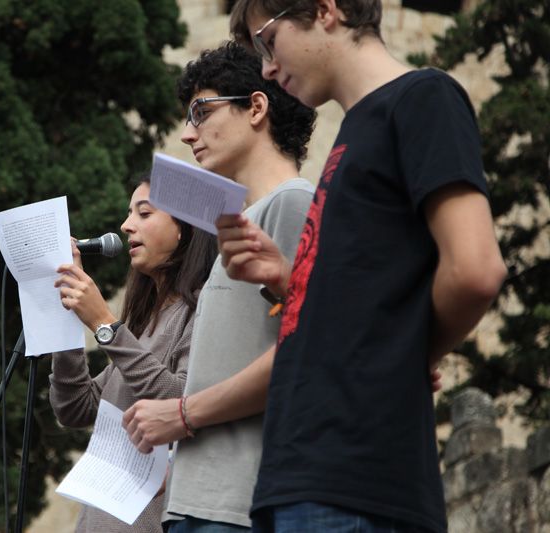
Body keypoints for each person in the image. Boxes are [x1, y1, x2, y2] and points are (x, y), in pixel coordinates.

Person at [124, 1, 507, 532]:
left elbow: (475, 270)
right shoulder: (351, 142)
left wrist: (400, 352)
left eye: (270, 39)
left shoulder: (421, 97)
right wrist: (288, 278)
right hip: (299, 482)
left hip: (349, 478)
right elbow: (356, 302)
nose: (267, 67)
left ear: (325, 10)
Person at [123, 42, 317, 532]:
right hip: (200, 500)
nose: (188, 134)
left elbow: (307, 351)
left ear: (256, 107)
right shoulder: (240, 223)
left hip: (239, 503)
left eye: (201, 111)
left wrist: (183, 415)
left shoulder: (293, 202)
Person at [49, 175, 218, 533]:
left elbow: (181, 401)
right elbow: (75, 408)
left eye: (144, 213)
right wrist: (65, 321)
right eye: (129, 214)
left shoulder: (204, 307)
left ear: (184, 230)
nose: (126, 225)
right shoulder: (143, 324)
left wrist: (105, 325)